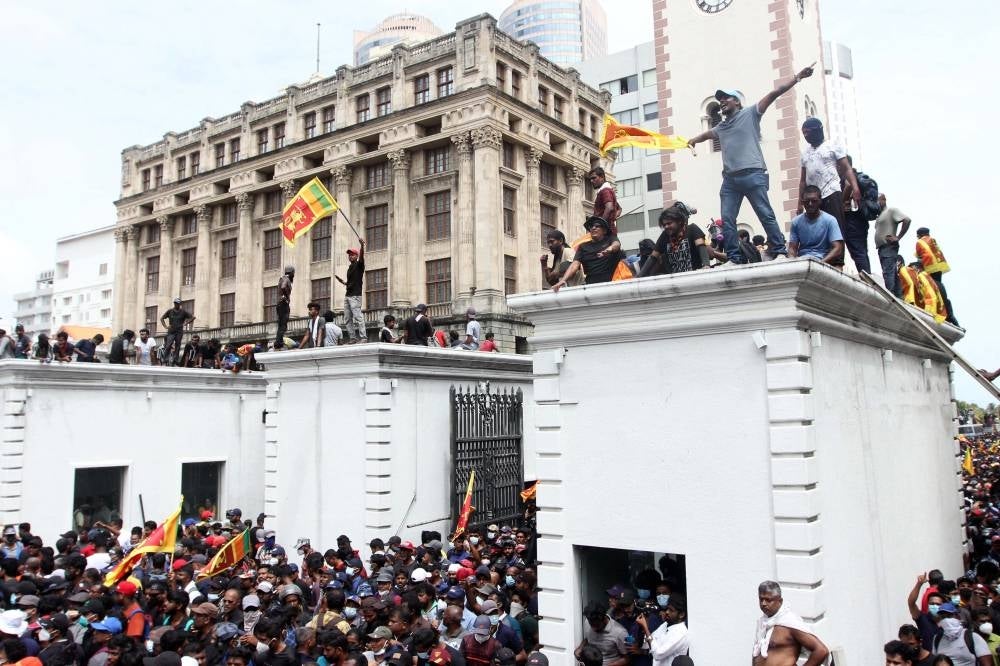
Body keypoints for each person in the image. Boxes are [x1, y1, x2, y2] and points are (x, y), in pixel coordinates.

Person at [686, 63, 816, 263]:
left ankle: (780, 251)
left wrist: (797, 77)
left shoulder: (751, 113)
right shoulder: (721, 127)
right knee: (727, 220)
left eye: (725, 98)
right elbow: (707, 135)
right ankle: (734, 258)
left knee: (765, 213)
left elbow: (775, 93)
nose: (721, 102)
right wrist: (694, 140)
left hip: (753, 174)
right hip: (730, 180)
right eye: (719, 100)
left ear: (737, 102)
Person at [797, 117, 860, 271]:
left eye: (808, 132)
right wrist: (799, 202)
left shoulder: (833, 145)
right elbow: (802, 180)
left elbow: (846, 168)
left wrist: (855, 187)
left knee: (836, 227)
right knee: (816, 229)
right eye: (803, 133)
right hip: (812, 197)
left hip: (831, 192)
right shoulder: (805, 154)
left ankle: (838, 262)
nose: (806, 135)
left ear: (817, 130)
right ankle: (821, 258)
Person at [752, 581, 829, 666]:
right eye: (761, 599)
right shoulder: (763, 623)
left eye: (768, 600)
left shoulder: (790, 622)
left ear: (780, 601)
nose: (763, 603)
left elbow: (821, 650)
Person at [552, 217, 623, 291]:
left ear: (604, 231)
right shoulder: (583, 246)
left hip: (611, 282)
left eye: (597, 226)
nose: (593, 228)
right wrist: (563, 280)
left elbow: (616, 245)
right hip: (591, 285)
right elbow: (574, 265)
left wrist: (609, 249)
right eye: (591, 226)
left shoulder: (610, 239)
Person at [637, 205, 709, 277]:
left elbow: (701, 247)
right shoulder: (664, 236)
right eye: (664, 225)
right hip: (675, 282)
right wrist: (639, 276)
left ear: (679, 221)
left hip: (693, 278)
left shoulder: (692, 229)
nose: (666, 226)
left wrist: (706, 265)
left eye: (669, 223)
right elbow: (653, 257)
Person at [787, 185, 844, 265]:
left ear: (820, 201)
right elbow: (792, 248)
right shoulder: (796, 222)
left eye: (814, 201)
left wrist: (821, 263)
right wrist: (792, 261)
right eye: (807, 201)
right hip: (802, 262)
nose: (810, 204)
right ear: (803, 202)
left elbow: (838, 248)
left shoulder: (830, 220)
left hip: (823, 261)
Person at [915, 228, 957, 326]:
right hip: (939, 266)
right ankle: (949, 314)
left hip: (929, 267)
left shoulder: (919, 242)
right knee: (939, 285)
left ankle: (939, 309)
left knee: (931, 287)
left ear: (919, 235)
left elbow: (919, 257)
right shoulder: (932, 240)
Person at [634, 595, 689, 666]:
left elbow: (658, 654)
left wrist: (646, 628)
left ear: (681, 614)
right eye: (667, 609)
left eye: (671, 610)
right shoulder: (666, 624)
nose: (667, 612)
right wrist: (643, 626)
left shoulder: (681, 633)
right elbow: (647, 644)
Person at [875, 194, 911, 297]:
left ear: (884, 200)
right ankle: (899, 297)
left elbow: (907, 220)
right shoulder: (879, 216)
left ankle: (889, 296)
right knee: (892, 273)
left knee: (888, 272)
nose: (876, 203)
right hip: (882, 248)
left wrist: (898, 237)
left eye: (878, 200)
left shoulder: (891, 211)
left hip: (888, 246)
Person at [574, 601, 627, 666]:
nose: (594, 629)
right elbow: (587, 639)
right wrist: (580, 648)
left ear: (604, 618)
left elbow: (627, 658)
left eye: (597, 625)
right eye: (591, 625)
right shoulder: (587, 623)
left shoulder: (620, 632)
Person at [336, 240, 366, 344]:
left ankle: (363, 337)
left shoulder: (359, 265)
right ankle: (353, 338)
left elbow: (362, 258)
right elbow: (352, 282)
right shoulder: (350, 267)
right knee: (347, 318)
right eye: (349, 255)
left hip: (355, 296)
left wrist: (362, 246)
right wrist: (343, 282)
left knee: (358, 316)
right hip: (348, 295)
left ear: (356, 256)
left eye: (352, 255)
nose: (350, 256)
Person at [159, 299, 195, 366]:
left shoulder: (183, 312)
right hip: (171, 331)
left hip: (179, 331)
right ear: (174, 304)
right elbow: (162, 318)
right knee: (168, 345)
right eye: (175, 303)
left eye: (178, 303)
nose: (176, 304)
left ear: (180, 304)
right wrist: (166, 326)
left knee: (178, 346)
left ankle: (175, 361)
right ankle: (165, 360)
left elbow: (193, 317)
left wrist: (186, 323)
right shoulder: (170, 311)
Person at [588, 168, 620, 235]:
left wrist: (600, 224)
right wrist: (612, 218)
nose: (591, 181)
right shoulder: (608, 190)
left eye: (594, 178)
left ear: (602, 177)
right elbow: (619, 209)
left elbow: (609, 207)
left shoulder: (605, 190)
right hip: (608, 230)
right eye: (590, 179)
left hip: (605, 233)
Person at [275, 266, 295, 349]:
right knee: (283, 325)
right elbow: (283, 287)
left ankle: (278, 341)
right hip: (283, 304)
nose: (294, 275)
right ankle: (279, 342)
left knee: (281, 325)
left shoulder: (282, 279)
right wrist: (286, 297)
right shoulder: (286, 279)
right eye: (293, 273)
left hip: (280, 304)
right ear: (291, 273)